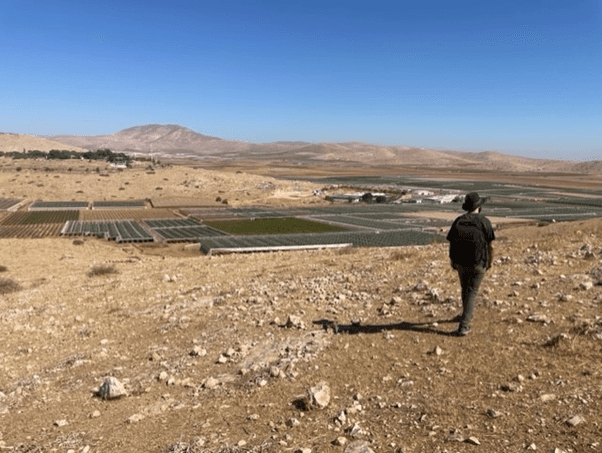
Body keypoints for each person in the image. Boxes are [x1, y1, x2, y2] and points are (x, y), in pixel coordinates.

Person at [446, 192, 495, 336]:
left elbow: (451, 244)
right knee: (472, 292)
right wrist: (490, 262)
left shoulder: (458, 221)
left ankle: (464, 315)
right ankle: (464, 325)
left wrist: (452, 261)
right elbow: (491, 245)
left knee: (465, 289)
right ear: (478, 207)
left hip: (461, 262)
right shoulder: (484, 221)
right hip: (478, 262)